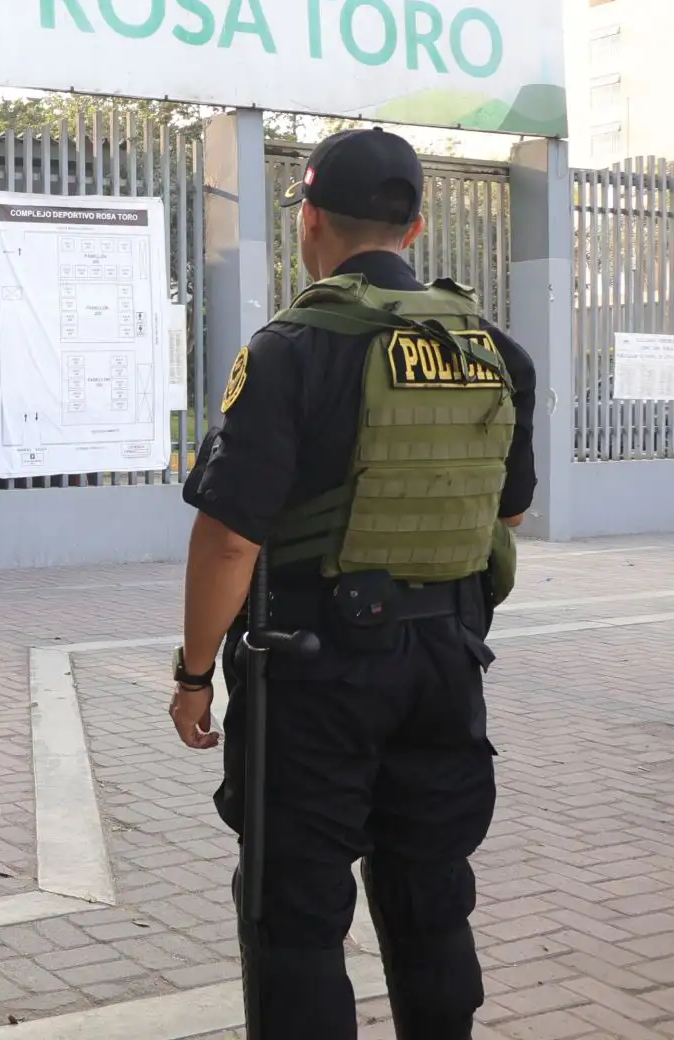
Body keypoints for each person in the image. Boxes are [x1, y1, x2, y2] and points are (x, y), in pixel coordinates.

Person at [168, 129, 536, 1039]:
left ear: (310, 219)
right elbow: (508, 511)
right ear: (415, 226)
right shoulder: (495, 350)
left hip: (313, 675)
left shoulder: (292, 348)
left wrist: (192, 672)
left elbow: (227, 543)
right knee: (431, 901)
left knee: (294, 916)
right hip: (449, 664)